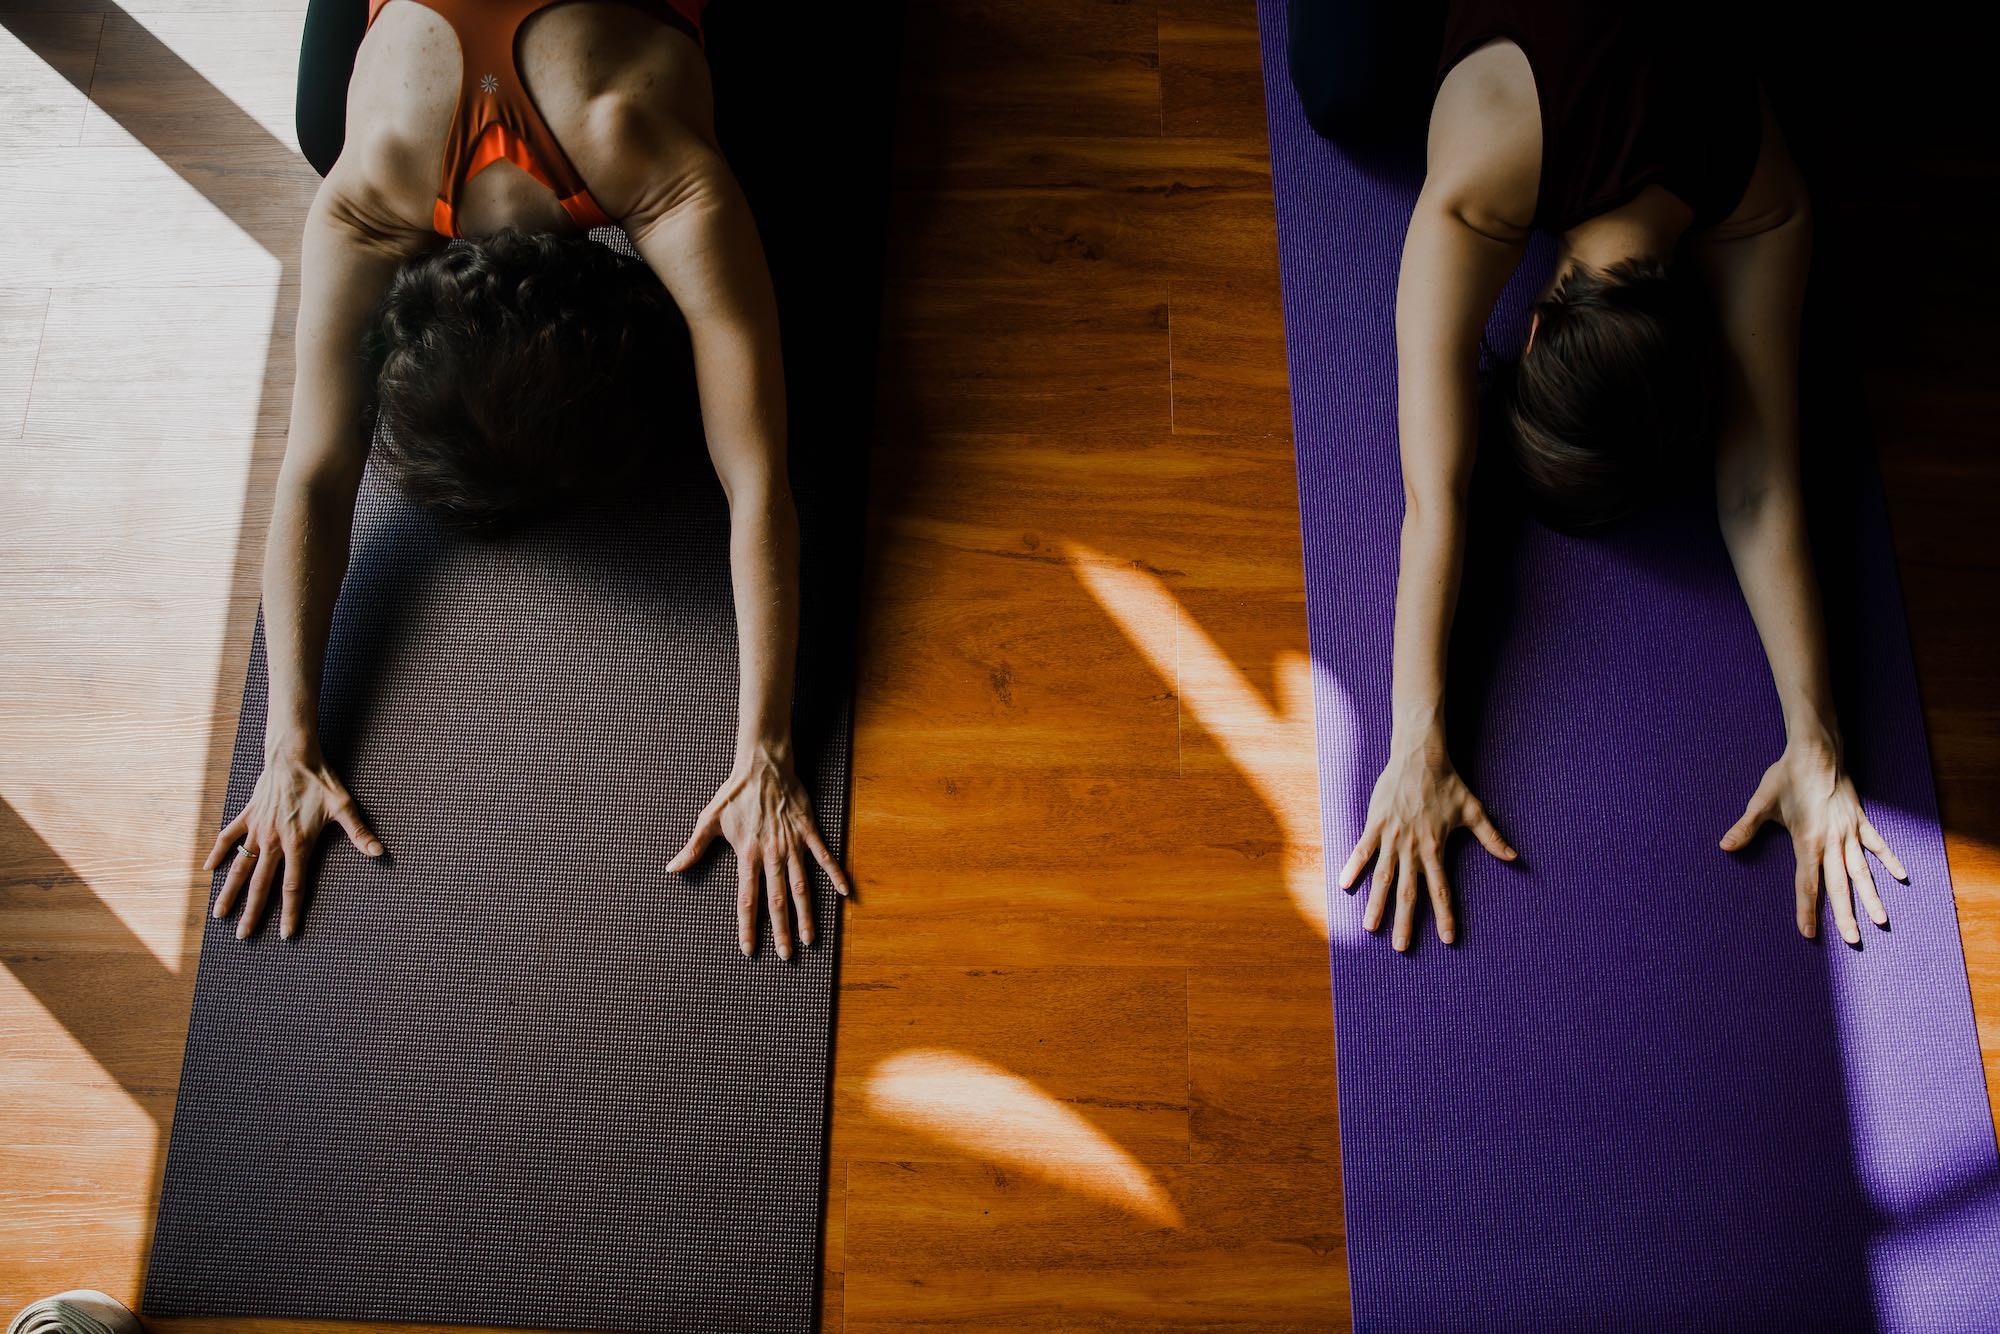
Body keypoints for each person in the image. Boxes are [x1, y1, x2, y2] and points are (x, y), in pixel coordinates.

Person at [201, 0, 850, 960]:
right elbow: (317, 471)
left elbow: (760, 479)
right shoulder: (367, 186)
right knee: (319, 125)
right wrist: (285, 741)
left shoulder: (660, 167)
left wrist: (770, 749)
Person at [1287, 0, 1907, 951]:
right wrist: (1413, 731)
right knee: (1343, 93)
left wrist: (1814, 739)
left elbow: (1758, 487)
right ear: (1534, 328)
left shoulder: (1765, 202)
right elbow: (1435, 497)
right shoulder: (1479, 184)